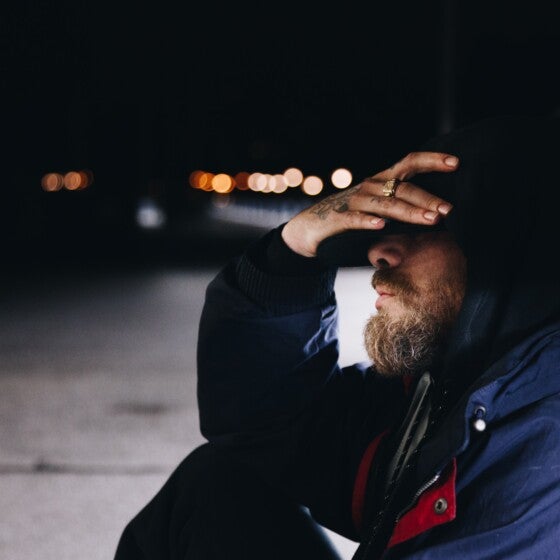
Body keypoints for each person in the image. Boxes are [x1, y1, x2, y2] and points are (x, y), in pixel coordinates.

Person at [114, 114, 560, 559]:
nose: (377, 252)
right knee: (213, 488)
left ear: (507, 248)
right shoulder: (447, 386)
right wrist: (291, 252)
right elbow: (269, 427)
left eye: (426, 225)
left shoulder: (544, 438)